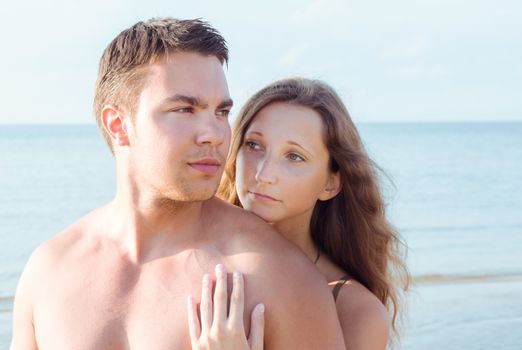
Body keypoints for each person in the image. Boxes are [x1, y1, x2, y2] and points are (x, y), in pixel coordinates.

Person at [10, 19, 347, 349]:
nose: (215, 134)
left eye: (221, 112)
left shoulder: (276, 277)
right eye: (185, 109)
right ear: (118, 125)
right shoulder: (50, 270)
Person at [188, 77, 410, 349]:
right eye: (254, 145)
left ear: (330, 183)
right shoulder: (193, 255)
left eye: (294, 156)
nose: (263, 174)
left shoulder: (355, 311)